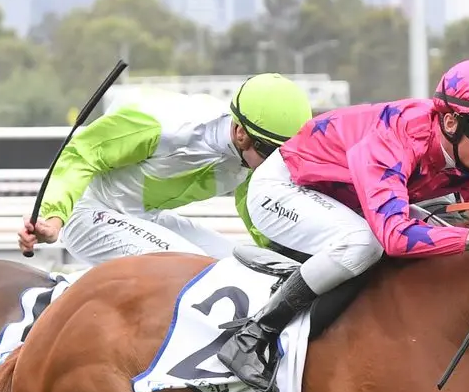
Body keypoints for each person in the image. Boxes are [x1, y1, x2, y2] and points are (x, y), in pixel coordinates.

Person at [216, 56, 469, 392]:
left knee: (435, 222)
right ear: (451, 121)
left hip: (341, 197)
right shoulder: (397, 137)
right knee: (365, 243)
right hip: (283, 187)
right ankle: (252, 337)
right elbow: (395, 237)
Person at [16, 73, 314, 266]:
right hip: (85, 214)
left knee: (243, 268)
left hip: (143, 217)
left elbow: (258, 212)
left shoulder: (251, 160)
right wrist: (53, 219)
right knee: (194, 270)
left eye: (287, 155)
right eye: (272, 153)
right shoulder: (167, 127)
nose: (278, 164)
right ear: (241, 134)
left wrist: (287, 254)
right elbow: (82, 153)